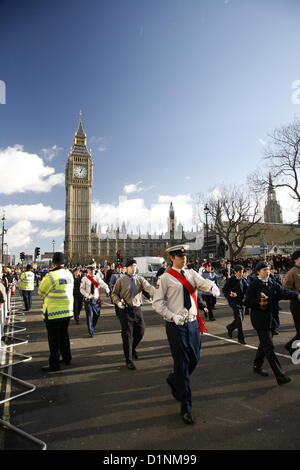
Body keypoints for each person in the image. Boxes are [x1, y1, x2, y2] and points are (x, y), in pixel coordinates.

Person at [152, 245, 219, 425]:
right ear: (172, 258)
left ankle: (175, 379)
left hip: (193, 323)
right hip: (176, 326)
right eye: (180, 256)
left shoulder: (191, 274)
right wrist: (172, 316)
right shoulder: (165, 278)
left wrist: (213, 287)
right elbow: (157, 303)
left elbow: (203, 283)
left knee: (194, 359)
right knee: (182, 364)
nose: (184, 259)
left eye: (185, 256)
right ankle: (186, 407)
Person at [244, 260, 300, 385]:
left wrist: (296, 295)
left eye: (268, 269)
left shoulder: (272, 282)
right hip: (260, 320)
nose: (267, 271)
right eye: (264, 270)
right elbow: (247, 302)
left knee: (264, 344)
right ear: (258, 271)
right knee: (269, 347)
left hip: (272, 319)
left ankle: (257, 365)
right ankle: (280, 375)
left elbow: (283, 293)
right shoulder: (254, 285)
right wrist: (259, 302)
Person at [111, 259, 154, 370]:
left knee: (141, 331)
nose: (133, 268)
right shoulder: (121, 280)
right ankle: (129, 360)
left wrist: (157, 289)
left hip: (137, 309)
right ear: (127, 268)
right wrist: (118, 302)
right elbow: (114, 294)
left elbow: (148, 287)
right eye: (131, 266)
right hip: (125, 310)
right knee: (127, 335)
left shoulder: (140, 279)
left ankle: (132, 348)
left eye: (135, 266)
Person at [38, 252, 74, 372]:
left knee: (54, 340)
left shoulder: (51, 276)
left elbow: (41, 292)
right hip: (67, 311)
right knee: (64, 335)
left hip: (54, 312)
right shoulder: (69, 274)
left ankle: (54, 364)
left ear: (53, 263)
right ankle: (67, 358)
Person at [80, 265, 110, 337]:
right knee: (90, 315)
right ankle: (91, 331)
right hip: (88, 300)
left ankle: (92, 327)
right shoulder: (84, 278)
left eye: (93, 270)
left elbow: (102, 283)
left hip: (96, 300)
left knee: (96, 315)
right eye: (90, 270)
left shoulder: (97, 277)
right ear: (87, 270)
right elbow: (81, 289)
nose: (92, 271)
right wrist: (87, 295)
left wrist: (106, 288)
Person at [223, 265, 247, 344]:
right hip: (234, 302)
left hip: (242, 302)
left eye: (242, 272)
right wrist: (230, 293)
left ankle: (230, 327)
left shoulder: (243, 280)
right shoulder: (231, 280)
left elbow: (247, 290)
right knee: (239, 320)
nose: (241, 273)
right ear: (235, 272)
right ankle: (241, 338)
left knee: (240, 319)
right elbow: (224, 289)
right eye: (240, 272)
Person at [282, 250, 300, 356]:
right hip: (297, 304)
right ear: (296, 259)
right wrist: (296, 294)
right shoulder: (292, 272)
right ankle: (289, 346)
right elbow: (285, 290)